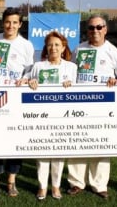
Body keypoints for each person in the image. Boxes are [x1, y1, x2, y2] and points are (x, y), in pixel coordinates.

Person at [66, 15, 117, 199]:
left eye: (99, 27)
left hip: (103, 107)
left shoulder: (113, 52)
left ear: (105, 29)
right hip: (78, 104)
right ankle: (76, 182)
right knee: (77, 141)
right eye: (91, 28)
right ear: (87, 31)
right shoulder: (79, 50)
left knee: (101, 143)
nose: (95, 31)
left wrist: (116, 81)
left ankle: (99, 184)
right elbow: (69, 72)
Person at [0, 7, 35, 197]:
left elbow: (30, 71)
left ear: (20, 24)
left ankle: (11, 180)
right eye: (7, 22)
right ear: (2, 22)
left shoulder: (26, 45)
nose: (10, 26)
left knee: (16, 139)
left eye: (15, 22)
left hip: (15, 99)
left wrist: (26, 78)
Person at [26, 31, 77, 201]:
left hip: (63, 117)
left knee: (59, 154)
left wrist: (72, 85)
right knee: (42, 153)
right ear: (45, 48)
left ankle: (55, 187)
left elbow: (78, 91)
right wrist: (30, 82)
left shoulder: (71, 68)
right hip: (41, 117)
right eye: (50, 45)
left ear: (63, 48)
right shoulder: (38, 67)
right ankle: (42, 186)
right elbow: (24, 82)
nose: (53, 48)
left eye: (57, 45)